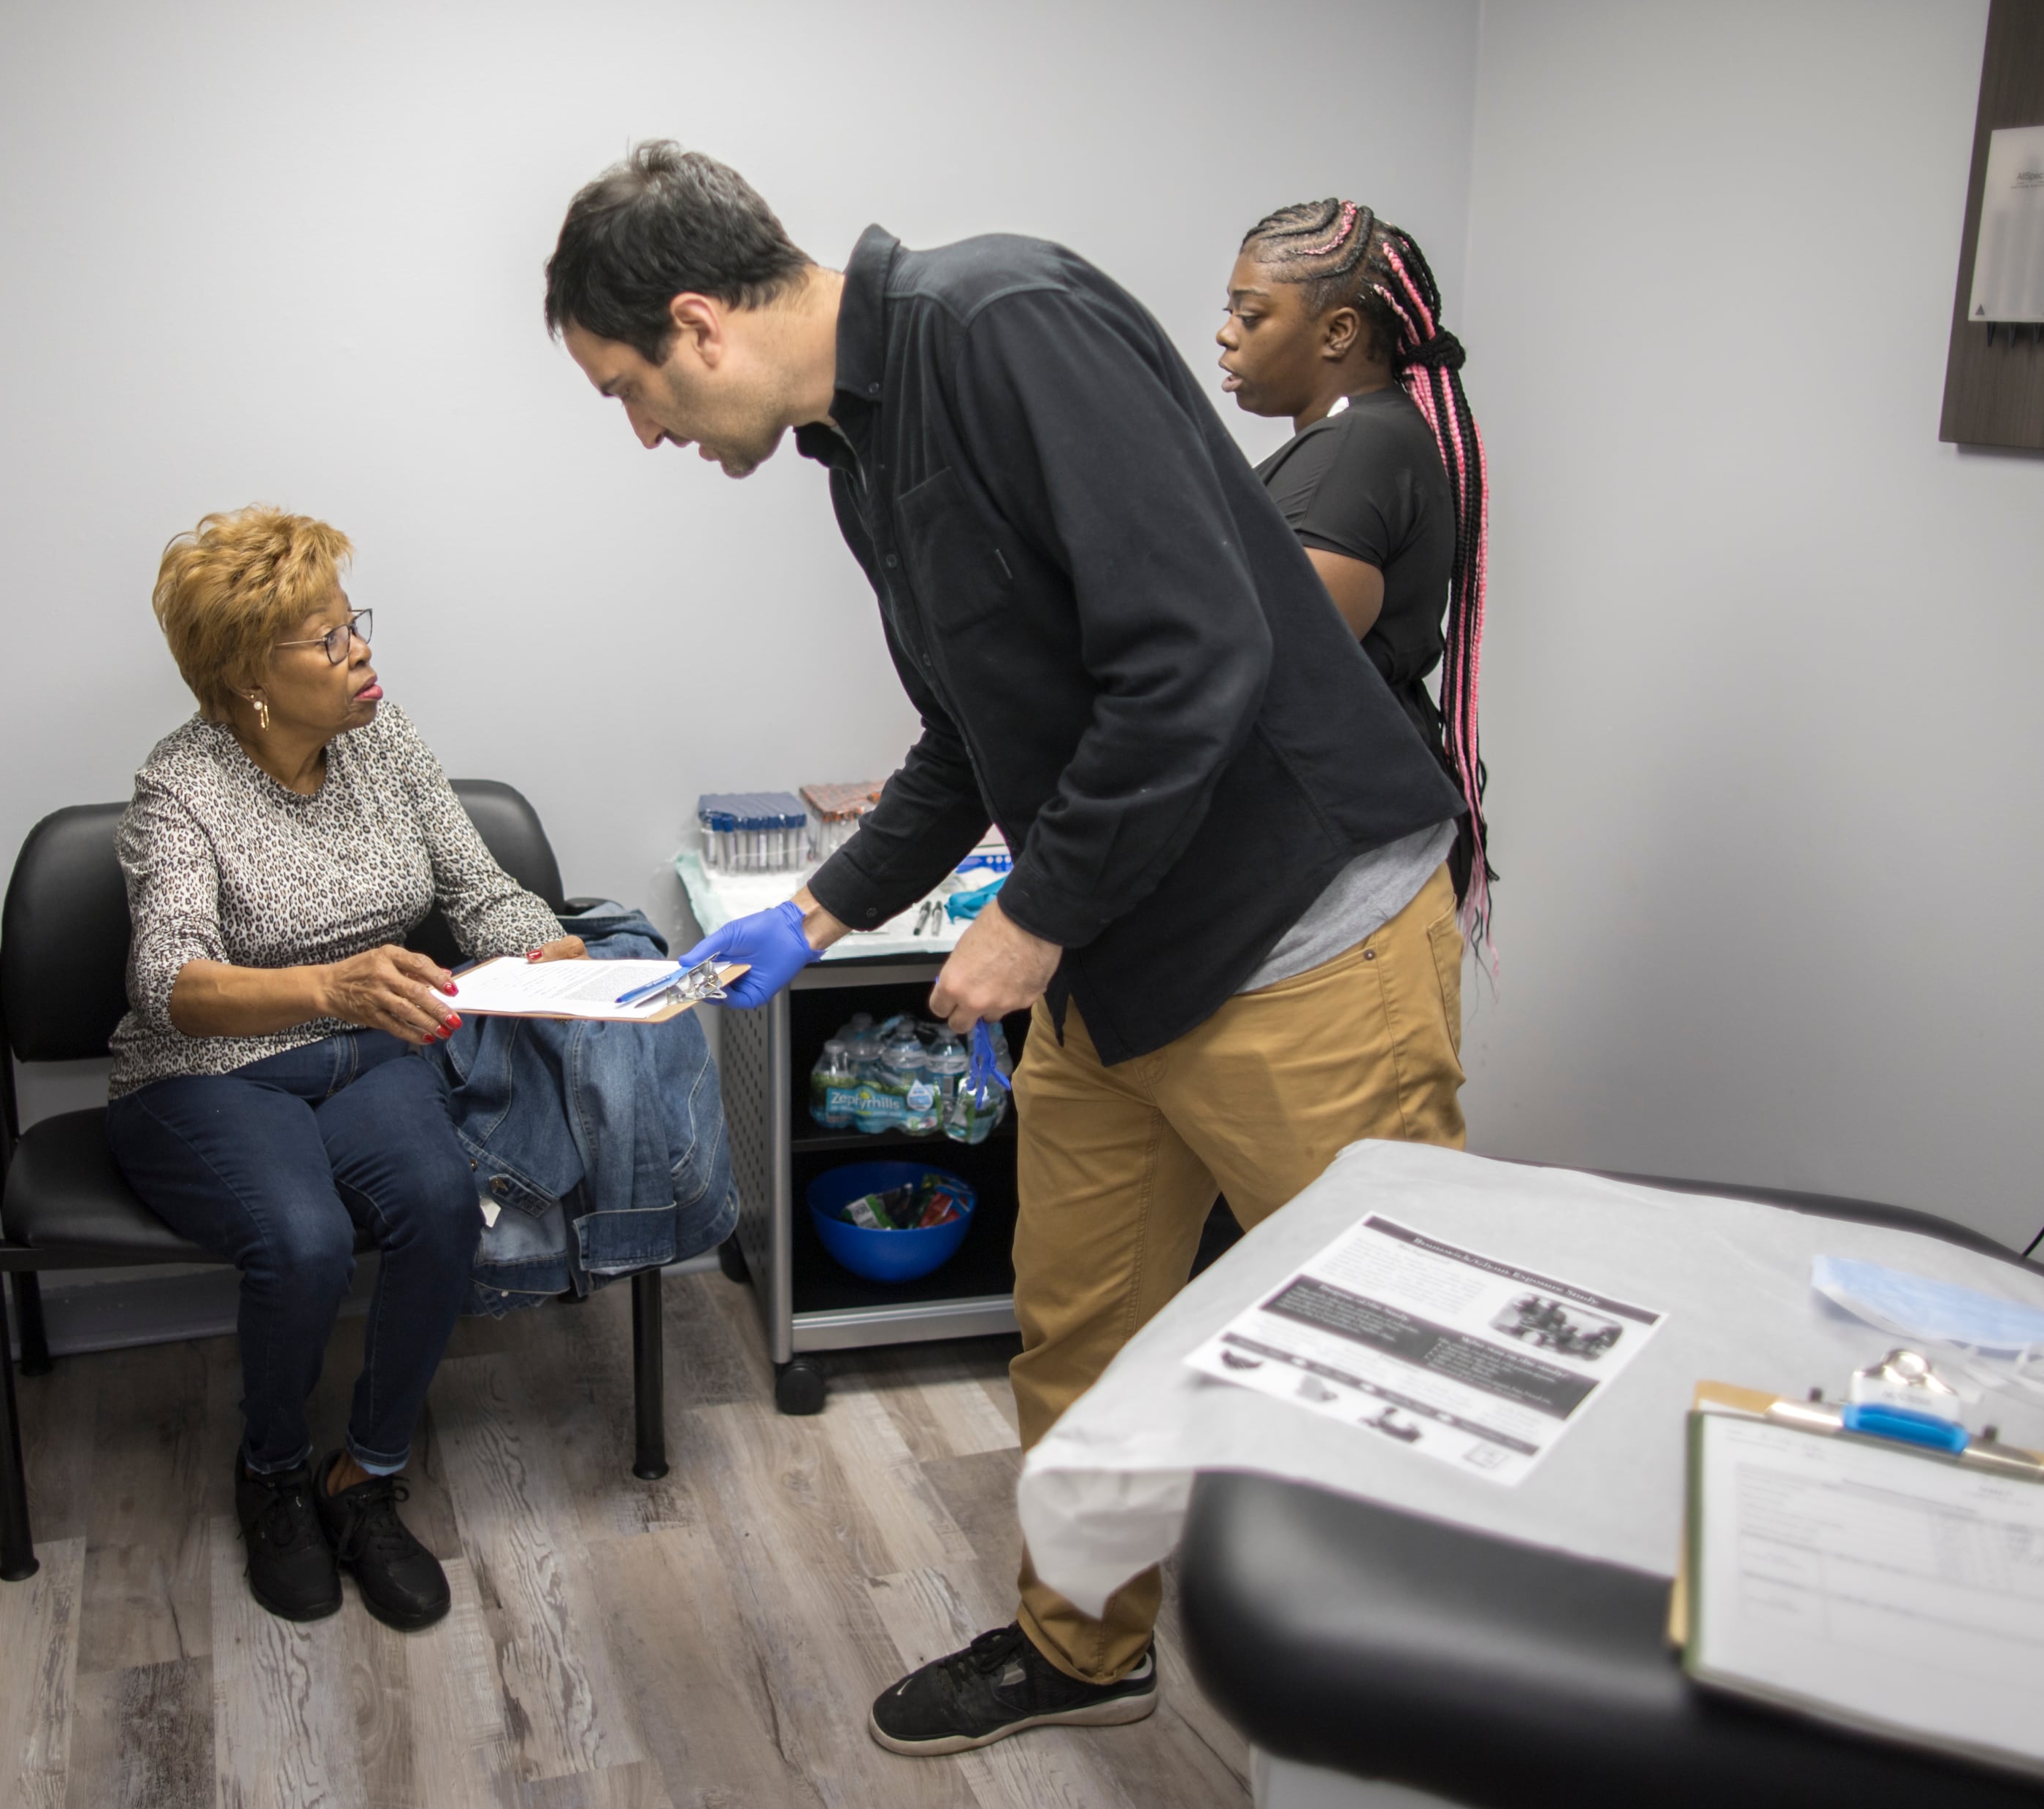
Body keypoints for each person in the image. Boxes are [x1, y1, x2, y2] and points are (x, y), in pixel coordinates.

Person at [544, 145, 1469, 1756]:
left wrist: (1031, 920)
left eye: (629, 388)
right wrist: (819, 912)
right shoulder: (861, 451)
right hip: (1127, 958)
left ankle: (1435, 1719)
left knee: (1383, 1356)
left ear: (697, 323)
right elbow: (973, 733)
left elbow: (1199, 657)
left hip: (1301, 939)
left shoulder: (1004, 321)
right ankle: (1083, 1643)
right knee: (1079, 1319)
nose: (643, 432)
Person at [104, 504, 586, 1632]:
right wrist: (329, 987)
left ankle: (363, 1478)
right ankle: (271, 1472)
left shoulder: (386, 740)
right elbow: (163, 978)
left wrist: (542, 943)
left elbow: (478, 889)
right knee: (304, 1240)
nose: (360, 651)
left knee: (434, 1206)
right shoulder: (180, 788)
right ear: (247, 678)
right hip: (207, 1073)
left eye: (350, 623)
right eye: (325, 639)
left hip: (372, 1054)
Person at [1218, 198, 1492, 925]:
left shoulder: (1353, 449)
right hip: (1357, 851)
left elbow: (1263, 663)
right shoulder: (1367, 438)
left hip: (1348, 874)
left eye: (1251, 315)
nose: (1225, 335)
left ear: (1338, 331)